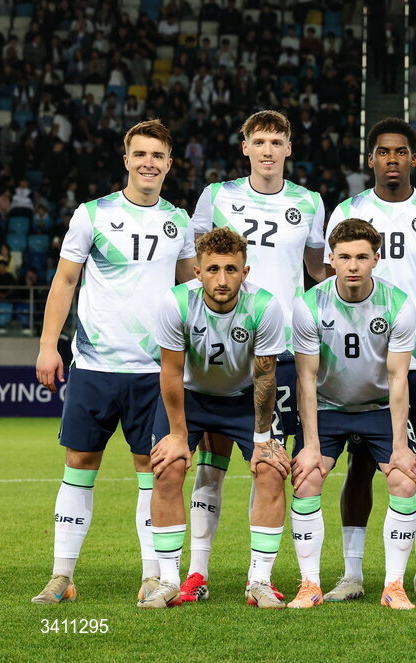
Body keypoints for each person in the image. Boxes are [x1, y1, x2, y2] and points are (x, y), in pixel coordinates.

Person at [32, 120, 197, 604]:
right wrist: (48, 346)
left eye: (157, 155)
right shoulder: (93, 215)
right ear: (126, 160)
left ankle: (151, 575)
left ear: (169, 163)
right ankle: (62, 576)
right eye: (140, 154)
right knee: (80, 463)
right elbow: (64, 281)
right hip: (95, 365)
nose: (149, 162)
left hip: (156, 371)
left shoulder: (179, 222)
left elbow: (190, 290)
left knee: (155, 469)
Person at [182, 109, 327, 605]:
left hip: (279, 350)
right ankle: (196, 574)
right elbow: (192, 265)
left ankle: (257, 579)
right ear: (244, 146)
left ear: (289, 148)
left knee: (269, 463)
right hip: (219, 347)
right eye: (259, 141)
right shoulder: (217, 196)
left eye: (277, 141)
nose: (268, 150)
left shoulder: (309, 202)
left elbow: (317, 272)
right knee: (210, 463)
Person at [324, 117, 416, 604]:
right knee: (359, 465)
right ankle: (353, 573)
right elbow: (331, 283)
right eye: (383, 152)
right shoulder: (348, 209)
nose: (392, 160)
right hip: (359, 360)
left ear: (413, 159)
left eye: (400, 152)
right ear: (371, 159)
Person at [140, 227, 288, 609]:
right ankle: (170, 580)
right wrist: (176, 434)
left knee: (271, 468)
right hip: (191, 396)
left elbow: (266, 375)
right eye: (213, 269)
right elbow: (170, 373)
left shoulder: (265, 306)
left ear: (246, 271)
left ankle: (260, 581)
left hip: (242, 398)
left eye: (231, 269)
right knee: (168, 467)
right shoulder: (174, 304)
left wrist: (261, 440)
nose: (222, 279)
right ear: (197, 271)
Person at [291, 219, 416, 609]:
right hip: (329, 407)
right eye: (344, 257)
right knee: (307, 477)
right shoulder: (309, 304)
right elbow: (306, 379)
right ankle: (310, 584)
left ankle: (393, 585)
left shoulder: (398, 304)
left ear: (376, 260)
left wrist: (400, 446)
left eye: (362, 257)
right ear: (330, 259)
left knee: (403, 478)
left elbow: (399, 379)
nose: (352, 265)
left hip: (379, 407)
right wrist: (310, 445)